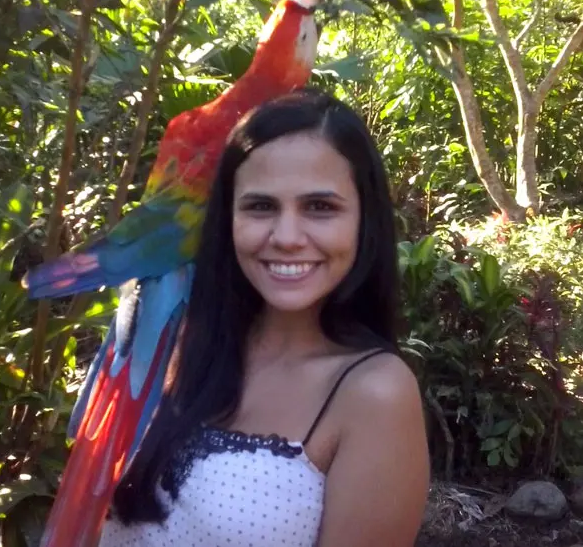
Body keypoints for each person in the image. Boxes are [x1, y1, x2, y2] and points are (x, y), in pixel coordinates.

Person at [98, 87, 430, 547]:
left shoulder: (375, 394)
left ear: (363, 221)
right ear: (227, 218)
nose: (287, 236)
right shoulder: (174, 339)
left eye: (320, 207)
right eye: (260, 206)